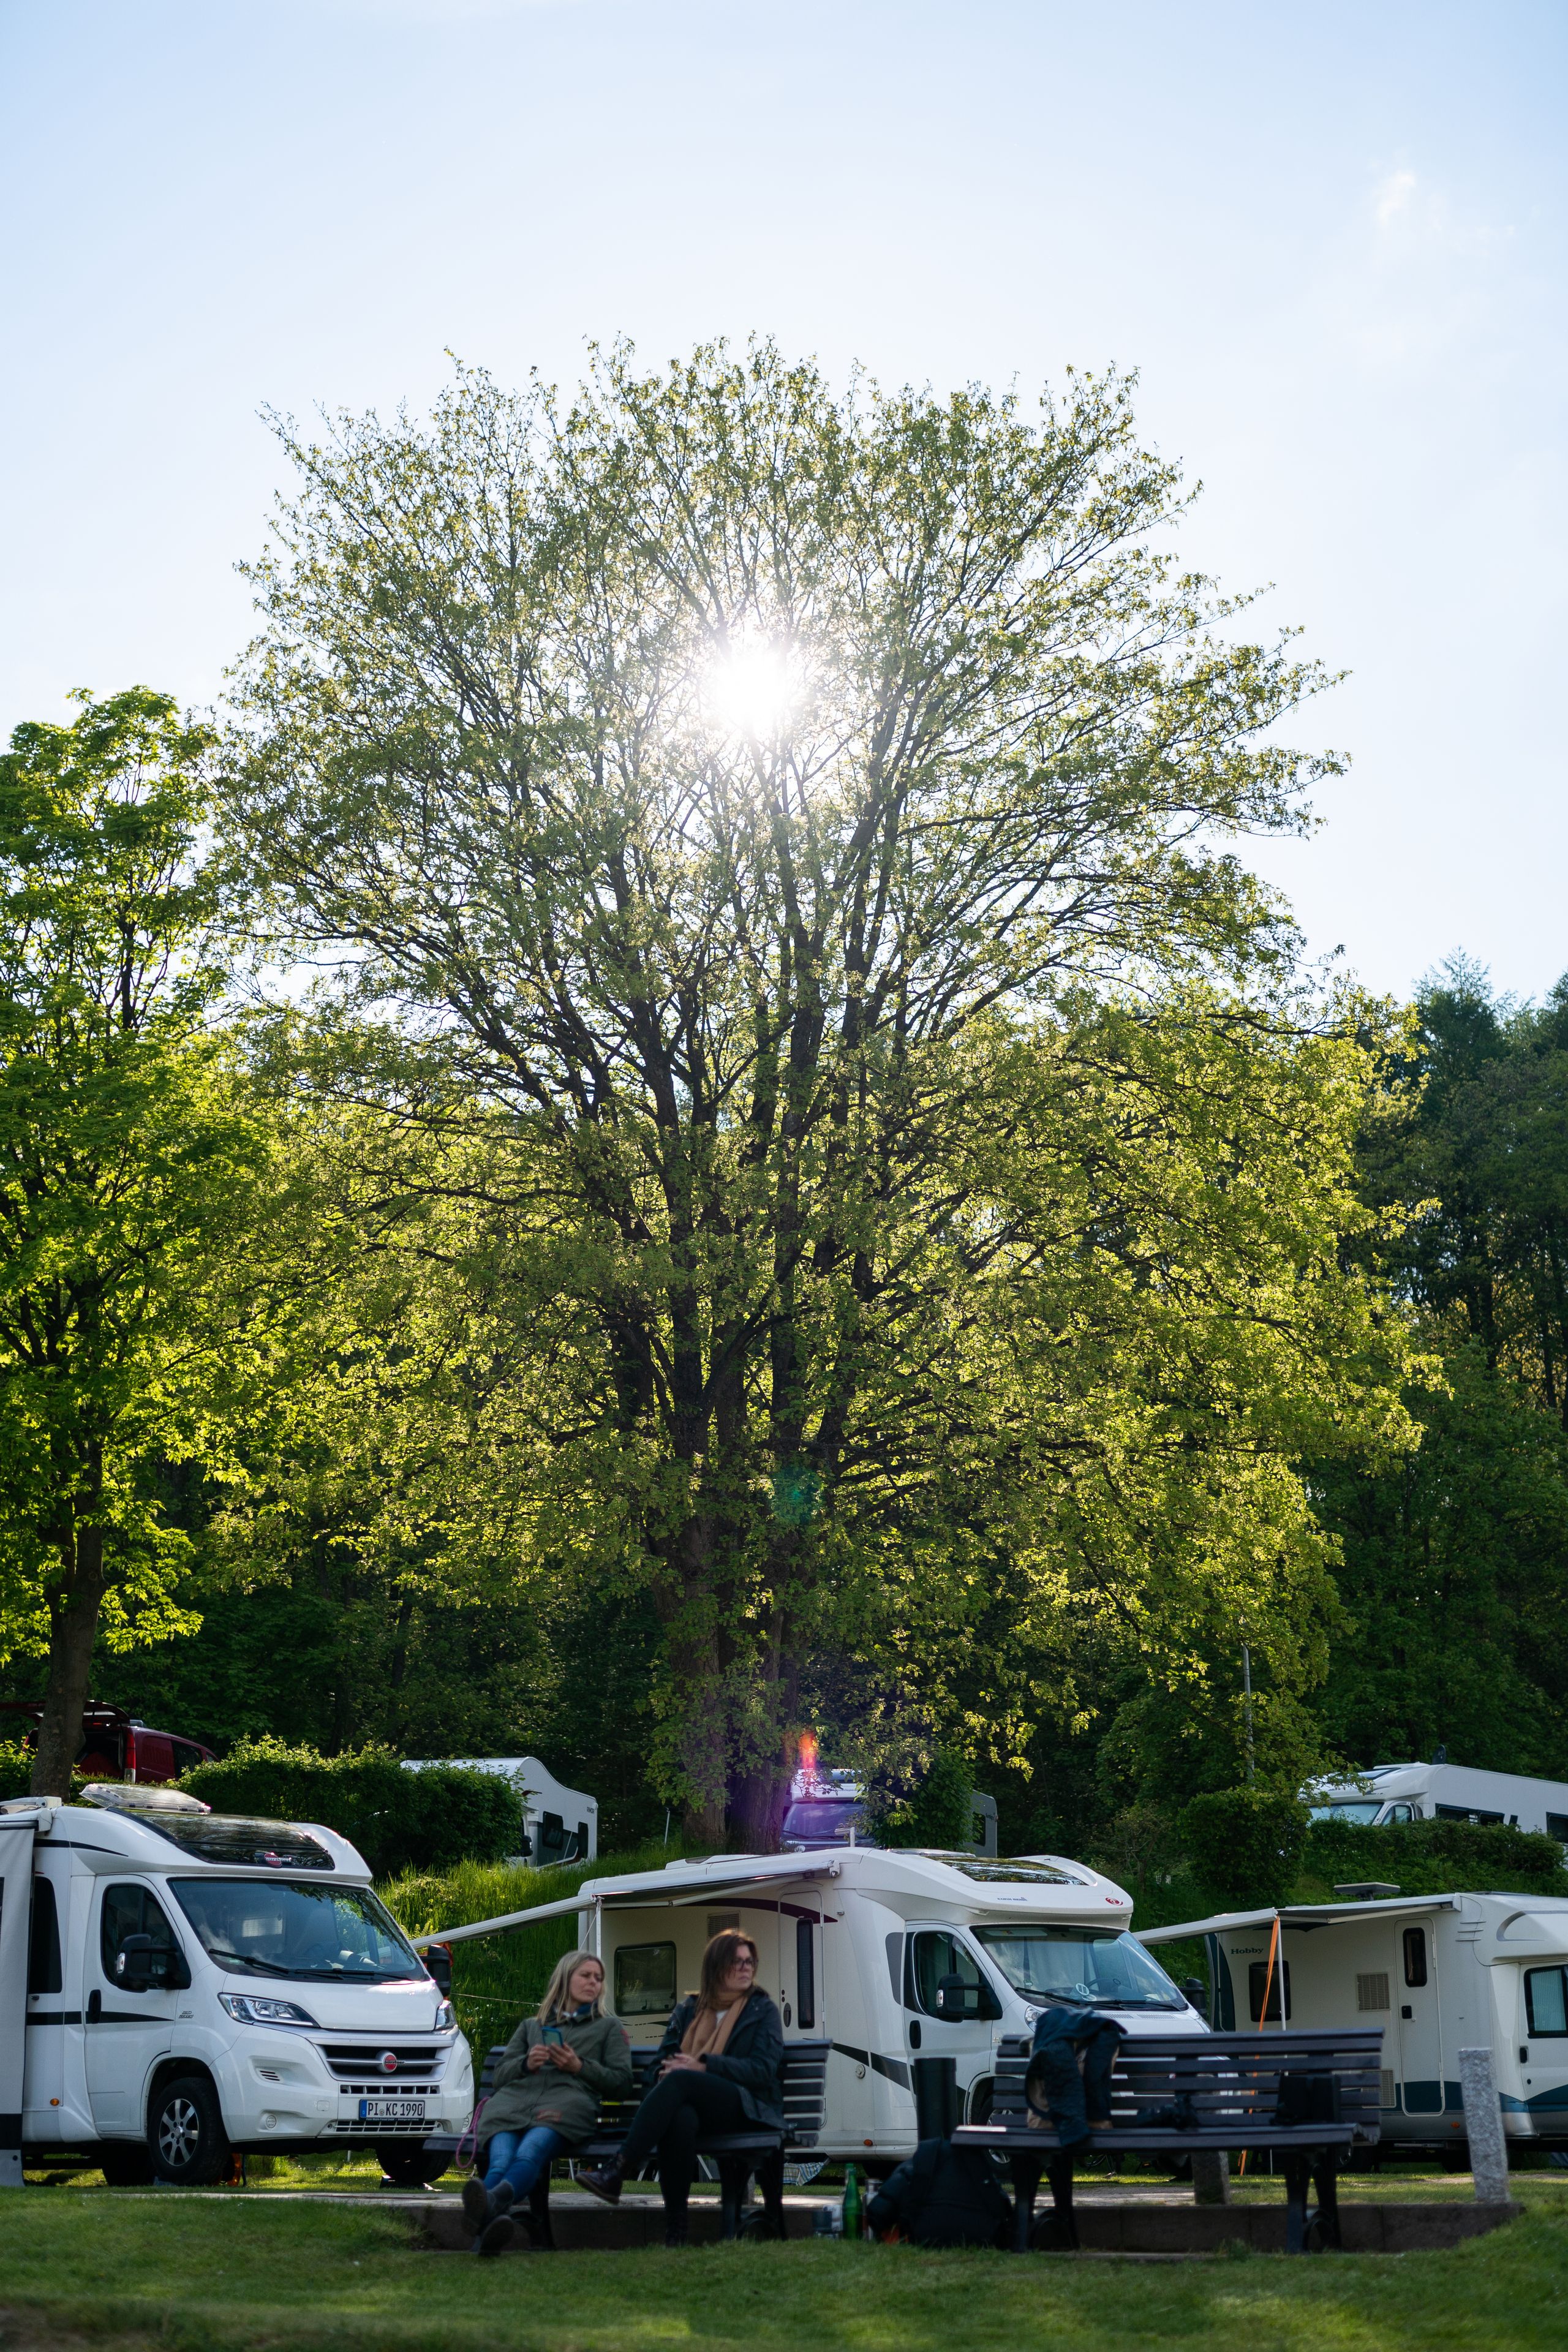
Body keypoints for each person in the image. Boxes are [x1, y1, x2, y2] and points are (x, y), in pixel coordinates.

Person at [579, 1928, 784, 2247]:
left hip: (746, 2106)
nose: (746, 1968)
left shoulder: (762, 2010)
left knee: (683, 2079)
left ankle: (617, 2171)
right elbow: (659, 2063)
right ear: (717, 1967)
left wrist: (705, 2066)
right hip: (696, 2109)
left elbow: (763, 2070)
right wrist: (664, 2075)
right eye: (738, 1962)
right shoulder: (689, 2010)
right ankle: (676, 2232)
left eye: (750, 1962)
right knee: (680, 2118)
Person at [461, 1949, 632, 2256]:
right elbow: (500, 2076)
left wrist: (580, 2067)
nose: (594, 1982)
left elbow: (621, 2083)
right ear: (566, 1979)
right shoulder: (533, 2026)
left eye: (599, 1978)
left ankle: (487, 2210)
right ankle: (490, 2221)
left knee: (529, 2154)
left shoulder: (608, 2027)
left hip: (565, 2107)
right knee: (501, 2161)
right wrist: (526, 2063)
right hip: (511, 2107)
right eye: (586, 1975)